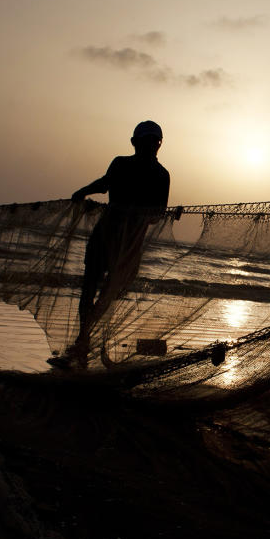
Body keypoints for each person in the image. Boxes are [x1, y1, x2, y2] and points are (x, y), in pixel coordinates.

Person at [51, 121, 170, 367]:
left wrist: (138, 213)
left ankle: (83, 339)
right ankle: (83, 339)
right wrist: (83, 191)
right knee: (91, 286)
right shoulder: (123, 164)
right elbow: (105, 184)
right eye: (146, 141)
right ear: (135, 142)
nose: (151, 145)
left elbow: (158, 213)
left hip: (127, 245)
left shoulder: (161, 175)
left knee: (108, 292)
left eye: (154, 142)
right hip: (106, 237)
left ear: (159, 144)